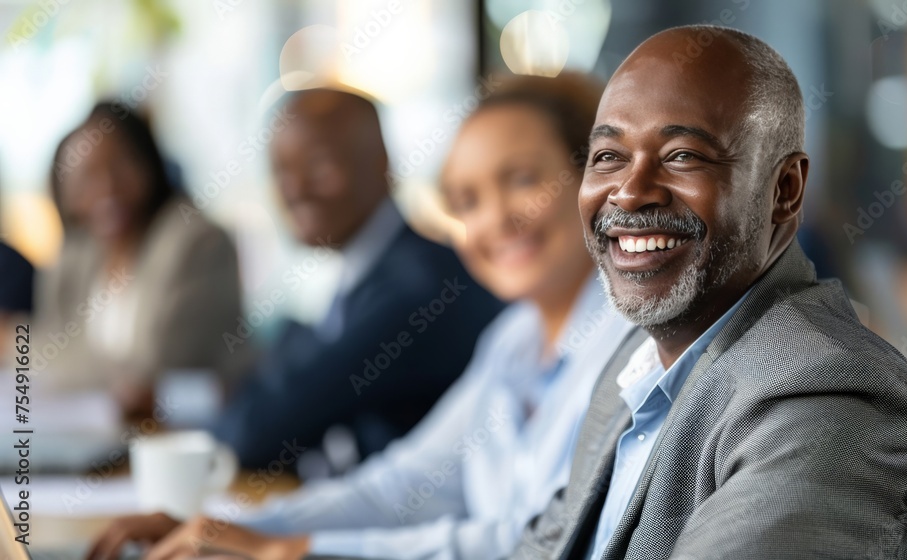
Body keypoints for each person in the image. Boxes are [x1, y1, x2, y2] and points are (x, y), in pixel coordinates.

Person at [86, 73, 634, 560]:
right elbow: (399, 487)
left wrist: (295, 550)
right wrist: (231, 529)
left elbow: (545, 541)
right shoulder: (513, 338)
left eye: (521, 179)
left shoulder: (633, 345)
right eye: (467, 199)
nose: (495, 219)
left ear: (596, 177)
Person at [511, 25, 907, 559]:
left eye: (682, 156)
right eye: (608, 156)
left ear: (784, 191)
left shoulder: (827, 395)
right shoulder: (635, 364)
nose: (628, 190)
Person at [211, 89, 504, 469]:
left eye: (318, 166)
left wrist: (291, 340)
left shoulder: (417, 287)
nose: (296, 189)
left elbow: (253, 433)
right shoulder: (370, 272)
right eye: (282, 171)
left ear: (380, 161)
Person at [33, 104, 245, 414]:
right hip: (100, 434)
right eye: (86, 177)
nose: (107, 188)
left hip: (193, 433)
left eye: (119, 165)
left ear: (149, 164)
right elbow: (48, 342)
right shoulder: (77, 255)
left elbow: (150, 371)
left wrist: (20, 346)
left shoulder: (196, 242)